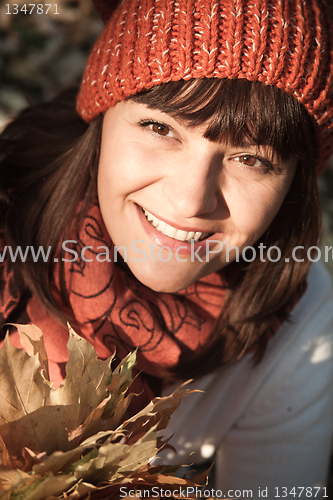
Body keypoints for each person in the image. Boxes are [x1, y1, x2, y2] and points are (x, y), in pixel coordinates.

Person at [0, 0, 333, 496]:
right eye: (160, 128)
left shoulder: (298, 325)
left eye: (249, 158)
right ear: (103, 115)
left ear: (293, 185)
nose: (189, 200)